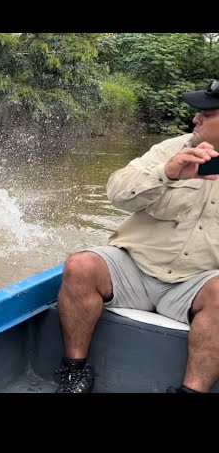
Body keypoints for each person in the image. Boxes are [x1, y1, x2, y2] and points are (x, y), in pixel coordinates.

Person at [56, 79, 219, 393]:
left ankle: (192, 390)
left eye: (207, 114)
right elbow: (117, 190)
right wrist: (165, 174)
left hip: (195, 282)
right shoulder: (170, 150)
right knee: (80, 267)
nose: (195, 119)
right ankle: (74, 371)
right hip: (135, 268)